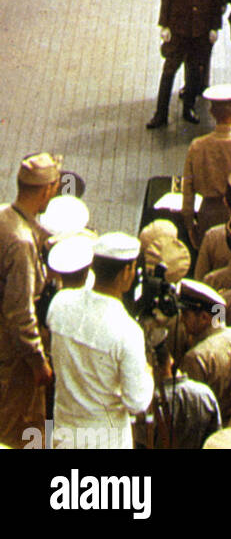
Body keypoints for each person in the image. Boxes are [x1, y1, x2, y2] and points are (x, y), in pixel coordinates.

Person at [48, 233, 153, 449]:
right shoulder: (128, 331)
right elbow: (137, 402)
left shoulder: (60, 303)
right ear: (127, 272)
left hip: (64, 435)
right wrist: (149, 373)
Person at [0, 152, 62, 447]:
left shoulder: (5, 217)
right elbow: (20, 313)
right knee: (23, 432)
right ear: (46, 189)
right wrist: (39, 362)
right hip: (16, 359)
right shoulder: (22, 244)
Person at [148, 0, 223, 128]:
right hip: (179, 28)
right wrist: (164, 25)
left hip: (200, 30)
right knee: (169, 69)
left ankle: (188, 108)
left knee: (194, 71)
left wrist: (215, 27)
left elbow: (216, 1)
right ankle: (160, 113)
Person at [180, 85, 231, 250]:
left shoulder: (197, 146)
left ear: (211, 112)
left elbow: (187, 193)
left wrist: (190, 227)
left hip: (207, 216)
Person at [177, 279, 231, 426]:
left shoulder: (196, 357)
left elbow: (190, 410)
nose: (181, 319)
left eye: (186, 314)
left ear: (204, 318)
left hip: (205, 433)